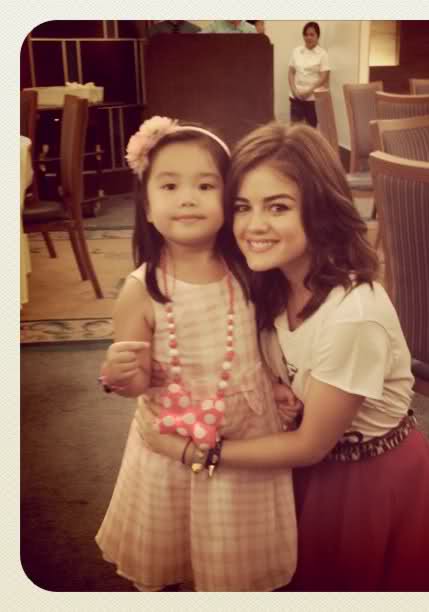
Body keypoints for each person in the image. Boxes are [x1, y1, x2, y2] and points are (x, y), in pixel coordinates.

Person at [135, 122, 429, 591]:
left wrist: (193, 453)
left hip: (368, 482)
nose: (254, 226)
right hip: (297, 471)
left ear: (320, 211)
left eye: (278, 207)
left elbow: (310, 445)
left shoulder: (353, 316)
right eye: (242, 207)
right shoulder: (267, 282)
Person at [95, 116, 297, 592]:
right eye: (169, 186)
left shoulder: (250, 269)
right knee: (176, 542)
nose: (187, 198)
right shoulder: (141, 289)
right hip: (172, 440)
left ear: (228, 202)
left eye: (205, 186)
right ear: (147, 207)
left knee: (236, 553)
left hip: (248, 435)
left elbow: (264, 342)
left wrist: (276, 384)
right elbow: (137, 381)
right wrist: (118, 375)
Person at [288, 22, 330, 128]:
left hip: (312, 99)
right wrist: (294, 90)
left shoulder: (323, 54)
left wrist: (308, 91)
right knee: (294, 130)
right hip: (296, 97)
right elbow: (291, 72)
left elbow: (324, 77)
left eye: (312, 35)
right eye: (306, 34)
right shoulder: (296, 51)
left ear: (317, 36)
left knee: (310, 130)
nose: (308, 37)